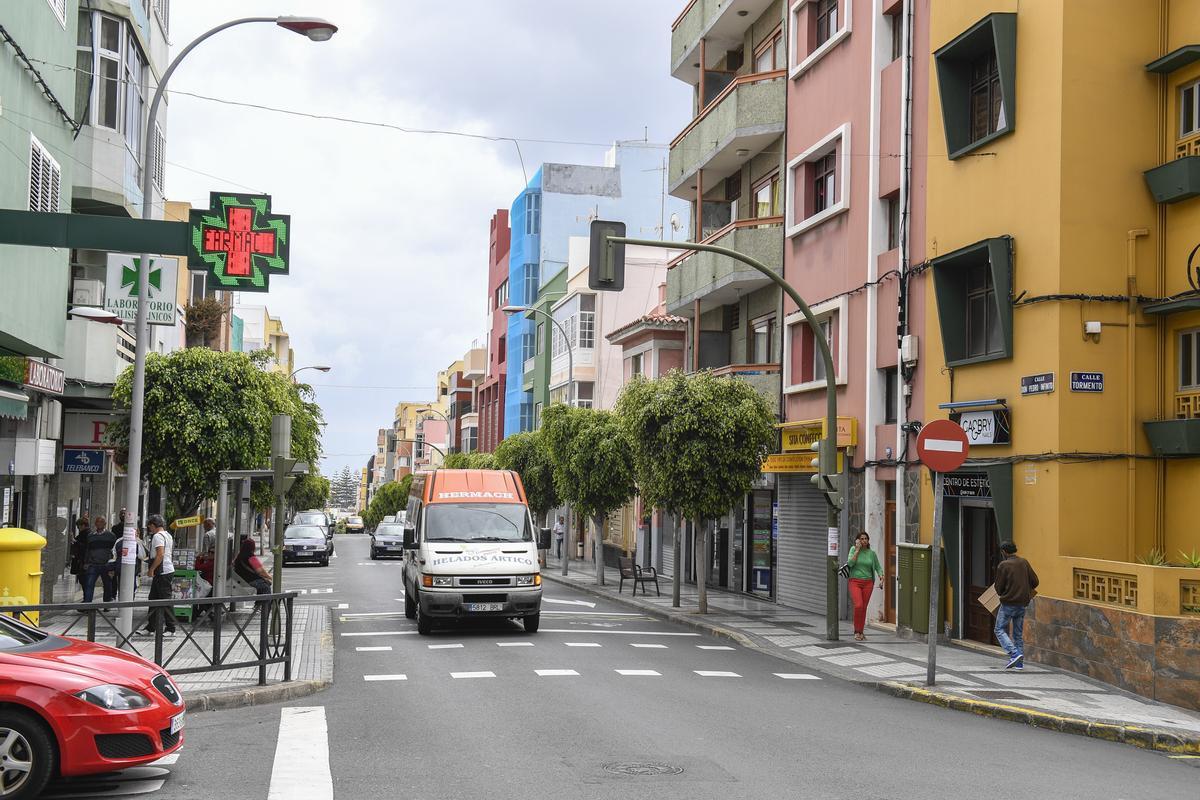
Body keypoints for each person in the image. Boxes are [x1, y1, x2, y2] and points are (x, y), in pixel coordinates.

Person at [994, 540, 1039, 670]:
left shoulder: (1003, 565)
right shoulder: (1024, 562)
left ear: (1004, 551)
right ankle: (1019, 663)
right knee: (1017, 634)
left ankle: (1014, 653)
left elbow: (998, 588)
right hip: (1022, 604)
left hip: (1008, 603)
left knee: (999, 629)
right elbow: (1035, 581)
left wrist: (1006, 591)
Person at [138, 514, 176, 636]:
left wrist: (152, 569)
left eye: (149, 526)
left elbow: (160, 555)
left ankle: (171, 628)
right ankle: (151, 627)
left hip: (162, 571)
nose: (149, 529)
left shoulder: (158, 536)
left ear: (153, 525)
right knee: (153, 598)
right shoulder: (167, 535)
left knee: (165, 600)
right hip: (166, 570)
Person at [846, 532, 884, 642]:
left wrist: (881, 576)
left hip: (868, 583)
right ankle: (856, 631)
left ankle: (861, 632)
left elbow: (878, 567)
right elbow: (850, 563)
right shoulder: (853, 549)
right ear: (858, 540)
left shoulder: (871, 553)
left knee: (863, 607)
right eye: (862, 539)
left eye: (866, 538)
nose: (864, 541)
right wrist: (857, 550)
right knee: (858, 605)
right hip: (855, 582)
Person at [81, 515, 117, 606]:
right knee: (89, 584)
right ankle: (87, 605)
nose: (99, 523)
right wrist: (86, 562)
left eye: (101, 522)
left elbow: (114, 551)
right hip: (93, 564)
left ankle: (107, 604)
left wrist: (112, 566)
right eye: (98, 521)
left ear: (105, 523)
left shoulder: (111, 536)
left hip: (106, 565)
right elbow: (88, 550)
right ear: (95, 524)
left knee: (107, 585)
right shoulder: (90, 536)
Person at [69, 517, 90, 589]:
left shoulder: (86, 534)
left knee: (83, 579)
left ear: (83, 525)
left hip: (82, 560)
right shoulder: (83, 534)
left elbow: (85, 547)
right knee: (82, 580)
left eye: (78, 526)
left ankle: (86, 595)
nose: (78, 528)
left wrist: (74, 541)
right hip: (81, 560)